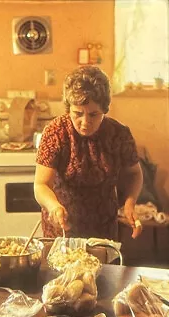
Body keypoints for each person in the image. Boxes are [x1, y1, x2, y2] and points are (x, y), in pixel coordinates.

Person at [34, 65, 143, 241]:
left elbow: (134, 174)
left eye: (93, 115)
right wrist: (53, 206)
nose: (85, 122)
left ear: (105, 110)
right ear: (68, 108)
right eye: (77, 113)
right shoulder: (55, 132)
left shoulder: (119, 134)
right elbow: (41, 185)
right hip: (62, 229)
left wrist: (130, 203)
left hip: (104, 229)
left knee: (104, 269)